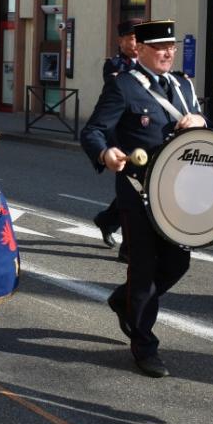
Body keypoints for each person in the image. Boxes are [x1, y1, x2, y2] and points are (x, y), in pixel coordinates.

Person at [80, 19, 205, 379]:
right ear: (141, 50)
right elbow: (94, 131)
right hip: (138, 193)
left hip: (178, 193)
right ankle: (144, 344)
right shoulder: (123, 87)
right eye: (159, 48)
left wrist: (199, 120)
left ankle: (123, 302)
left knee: (178, 265)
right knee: (145, 271)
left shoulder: (182, 86)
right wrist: (105, 154)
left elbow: (200, 128)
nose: (167, 53)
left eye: (171, 47)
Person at [93, 18, 141, 256]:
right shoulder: (114, 65)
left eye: (139, 38)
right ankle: (129, 247)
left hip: (142, 134)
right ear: (120, 41)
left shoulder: (147, 63)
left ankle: (108, 220)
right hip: (121, 135)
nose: (135, 43)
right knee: (133, 187)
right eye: (131, 38)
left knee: (136, 188)